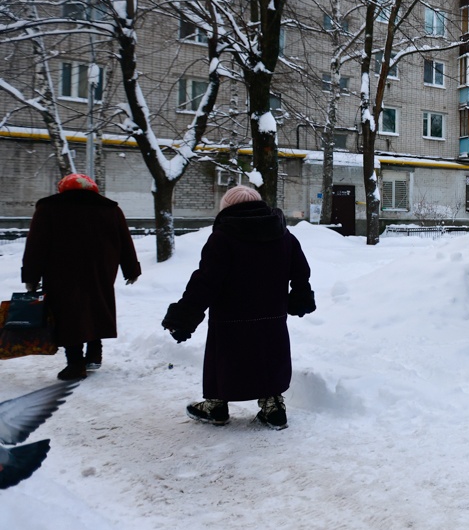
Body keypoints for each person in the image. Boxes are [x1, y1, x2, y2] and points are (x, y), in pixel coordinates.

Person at [162, 185, 315, 430]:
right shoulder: (284, 235)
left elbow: (205, 282)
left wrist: (184, 318)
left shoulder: (222, 238)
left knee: (224, 359)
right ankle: (273, 407)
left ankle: (216, 406)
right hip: (272, 314)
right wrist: (300, 297)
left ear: (227, 209)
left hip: (230, 316)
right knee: (269, 355)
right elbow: (300, 271)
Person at [21, 173, 141, 381]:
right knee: (97, 307)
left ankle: (75, 363)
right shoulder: (110, 210)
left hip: (61, 272)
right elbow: (125, 241)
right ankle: (94, 353)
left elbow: (36, 246)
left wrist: (31, 276)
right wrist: (131, 269)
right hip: (100, 270)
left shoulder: (49, 209)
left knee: (68, 314)